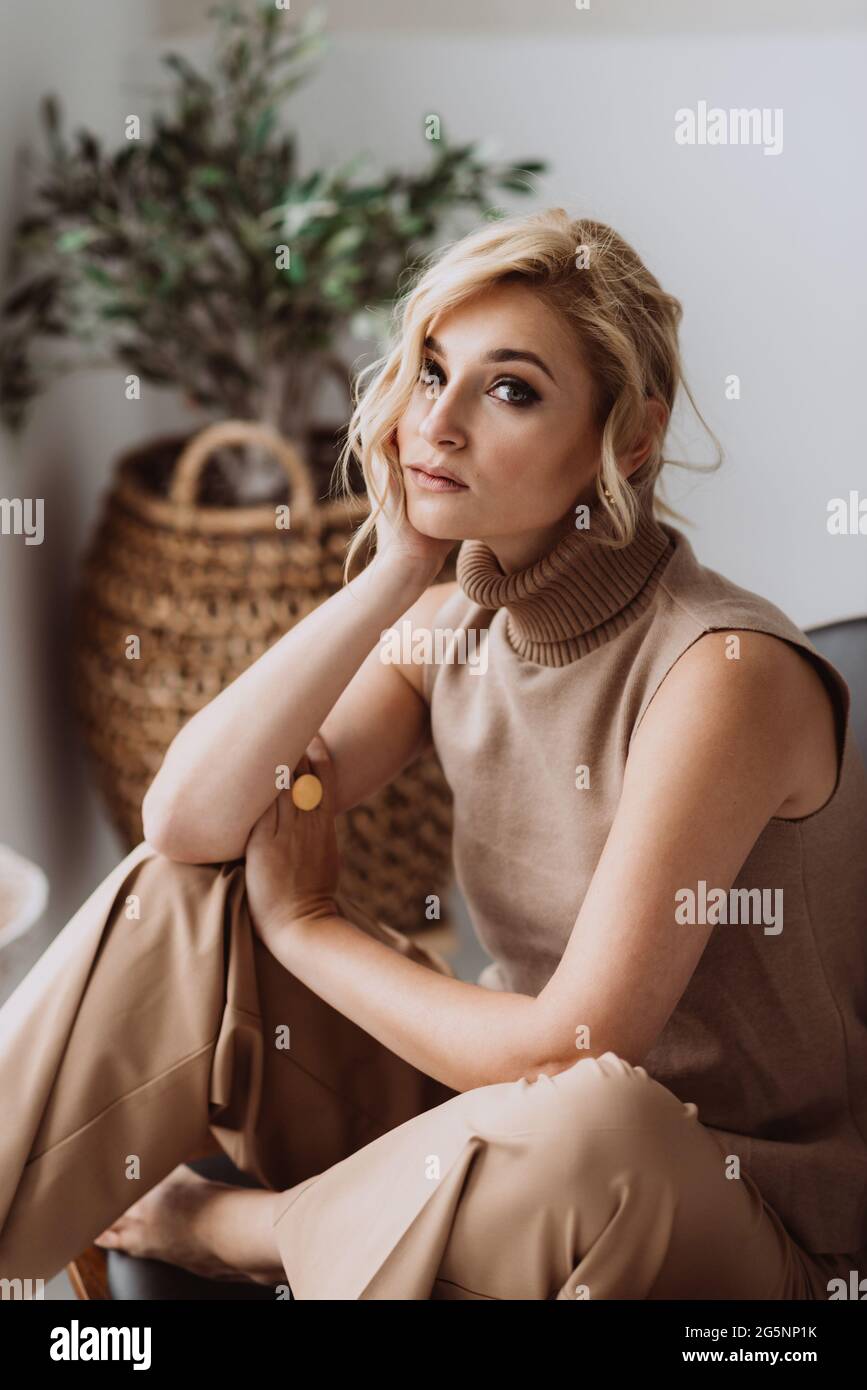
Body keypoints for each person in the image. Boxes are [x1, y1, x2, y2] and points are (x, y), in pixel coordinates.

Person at [1, 209, 865, 1300]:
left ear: (630, 439)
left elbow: (570, 1047)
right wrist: (395, 570)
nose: (437, 424)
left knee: (591, 1113)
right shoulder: (452, 618)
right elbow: (189, 822)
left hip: (741, 1222)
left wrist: (308, 931)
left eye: (510, 389)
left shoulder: (721, 672)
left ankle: (256, 1230)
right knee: (188, 893)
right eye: (428, 371)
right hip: (494, 1136)